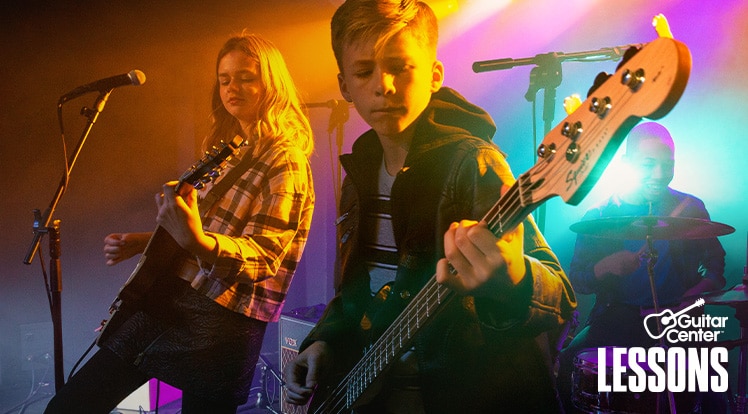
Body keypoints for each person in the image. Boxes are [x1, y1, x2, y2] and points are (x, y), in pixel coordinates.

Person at [282, 1, 576, 412]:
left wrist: (510, 279)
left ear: (435, 75)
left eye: (400, 67)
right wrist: (324, 342)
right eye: (364, 71)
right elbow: (355, 292)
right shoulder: (359, 174)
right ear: (344, 86)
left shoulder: (473, 162)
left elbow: (560, 297)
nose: (382, 85)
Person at [44, 33, 315, 413]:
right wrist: (145, 241)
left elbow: (265, 257)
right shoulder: (235, 149)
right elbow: (211, 229)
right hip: (175, 300)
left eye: (245, 78)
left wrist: (194, 239)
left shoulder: (284, 159)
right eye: (224, 80)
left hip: (220, 323)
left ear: (271, 84)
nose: (232, 88)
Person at [557, 121, 727, 413]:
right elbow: (577, 280)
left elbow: (716, 269)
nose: (660, 175)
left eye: (668, 165)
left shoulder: (690, 209)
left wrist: (689, 300)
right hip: (618, 317)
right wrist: (606, 266)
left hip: (679, 320)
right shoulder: (600, 215)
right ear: (627, 164)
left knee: (714, 386)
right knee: (567, 369)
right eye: (649, 165)